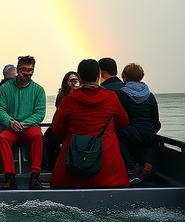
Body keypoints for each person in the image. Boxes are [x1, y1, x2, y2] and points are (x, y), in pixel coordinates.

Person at [49, 58, 130, 189]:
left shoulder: (68, 100)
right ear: (98, 75)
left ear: (79, 77)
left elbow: (57, 130)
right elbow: (124, 122)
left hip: (73, 168)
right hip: (108, 168)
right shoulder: (111, 97)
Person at [0, 55, 47, 190]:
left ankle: (35, 176)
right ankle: (10, 177)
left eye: (31, 70)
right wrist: (10, 122)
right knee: (2, 137)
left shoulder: (39, 90)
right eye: (24, 69)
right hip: (12, 127)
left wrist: (24, 124)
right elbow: (0, 109)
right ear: (18, 70)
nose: (28, 73)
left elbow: (40, 114)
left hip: (28, 128)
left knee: (38, 136)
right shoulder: (5, 88)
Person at [116, 63, 161, 179]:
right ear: (141, 76)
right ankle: (148, 164)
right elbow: (156, 121)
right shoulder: (150, 96)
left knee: (114, 136)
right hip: (148, 135)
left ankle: (131, 168)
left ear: (124, 76)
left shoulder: (119, 94)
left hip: (127, 134)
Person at [43, 71, 80, 170]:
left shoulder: (80, 96)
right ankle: (50, 163)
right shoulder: (62, 97)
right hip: (62, 126)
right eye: (71, 81)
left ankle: (52, 163)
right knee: (48, 136)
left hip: (73, 128)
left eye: (76, 81)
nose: (74, 84)